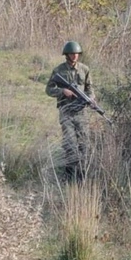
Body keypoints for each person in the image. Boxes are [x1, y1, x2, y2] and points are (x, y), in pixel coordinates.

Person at [45, 40, 93, 181]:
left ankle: (82, 175)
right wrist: (62, 91)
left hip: (81, 112)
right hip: (66, 111)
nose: (75, 56)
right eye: (72, 53)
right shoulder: (59, 70)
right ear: (66, 54)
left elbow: (90, 89)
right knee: (70, 143)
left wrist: (90, 99)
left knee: (84, 144)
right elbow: (48, 89)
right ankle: (69, 174)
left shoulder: (84, 69)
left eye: (77, 53)